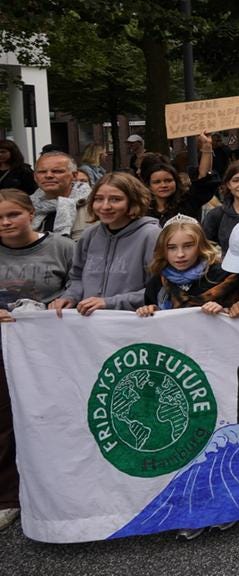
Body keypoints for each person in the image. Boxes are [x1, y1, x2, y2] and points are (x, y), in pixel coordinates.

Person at [0, 188, 76, 531]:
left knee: (54, 417)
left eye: (12, 214)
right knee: (4, 424)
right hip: (5, 348)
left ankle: (62, 490)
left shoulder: (62, 247)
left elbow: (79, 285)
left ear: (30, 212)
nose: (5, 222)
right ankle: (7, 497)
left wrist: (65, 302)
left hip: (51, 348)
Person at [49, 173, 161, 316]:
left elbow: (160, 288)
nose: (105, 206)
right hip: (91, 324)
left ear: (132, 201)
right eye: (99, 199)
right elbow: (77, 277)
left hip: (133, 323)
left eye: (116, 199)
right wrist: (70, 296)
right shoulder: (89, 235)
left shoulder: (151, 236)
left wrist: (109, 302)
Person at [136, 220, 239, 319]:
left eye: (188, 246)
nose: (180, 254)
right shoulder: (158, 282)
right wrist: (151, 312)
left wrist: (225, 312)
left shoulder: (224, 276)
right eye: (172, 248)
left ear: (201, 246)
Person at [144, 136, 220, 227]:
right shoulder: (142, 210)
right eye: (157, 182)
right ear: (149, 185)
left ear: (176, 182)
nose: (163, 185)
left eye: (168, 180)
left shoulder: (187, 202)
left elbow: (203, 179)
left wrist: (207, 146)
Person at [30, 152, 92, 239]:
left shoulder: (94, 205)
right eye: (42, 172)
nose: (48, 175)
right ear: (35, 177)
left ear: (74, 176)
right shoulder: (27, 206)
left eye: (57, 171)